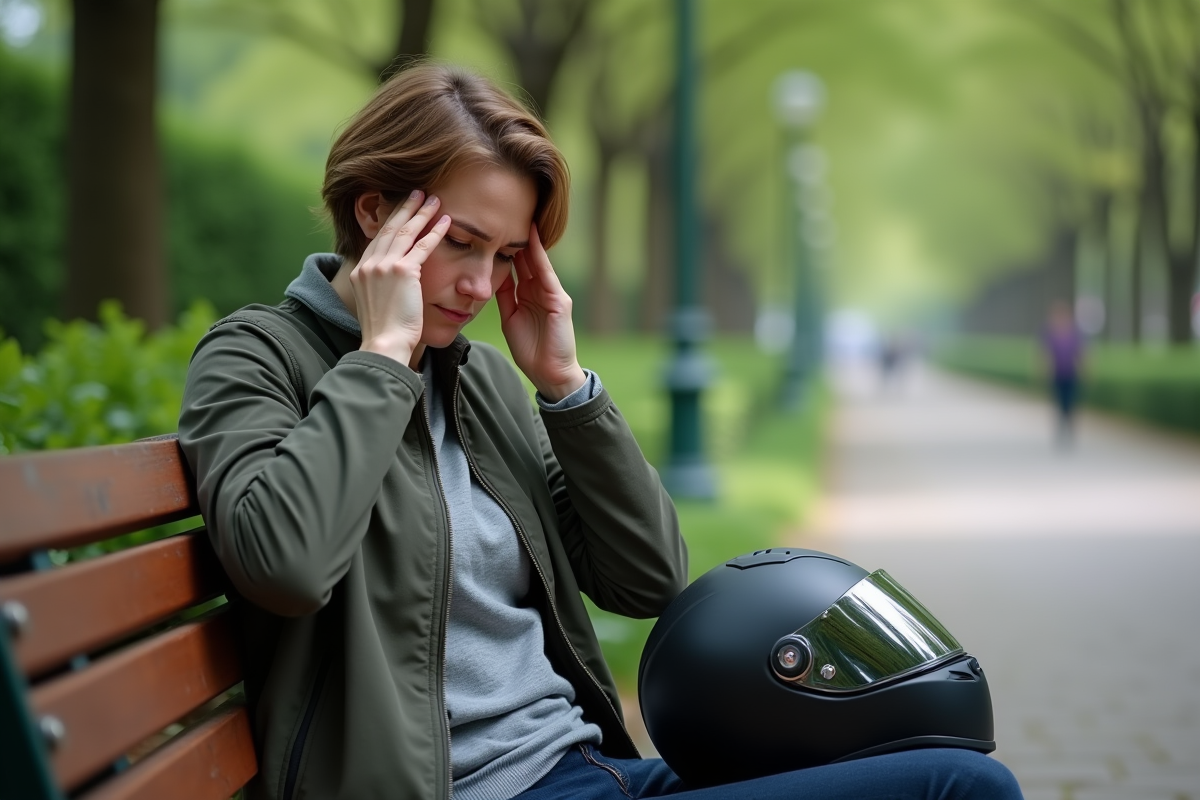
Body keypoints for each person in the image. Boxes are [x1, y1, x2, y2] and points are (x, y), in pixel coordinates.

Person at [178, 63, 1022, 800]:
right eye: (461, 244)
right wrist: (382, 358)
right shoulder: (257, 357)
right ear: (375, 214)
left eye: (507, 256)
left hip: (589, 770)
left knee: (936, 753)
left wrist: (565, 388)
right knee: (959, 790)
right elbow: (283, 563)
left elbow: (650, 579)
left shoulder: (480, 386)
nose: (480, 286)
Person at [1041, 300, 1085, 446]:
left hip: (1071, 374)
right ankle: (1061, 428)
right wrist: (1044, 369)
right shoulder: (1050, 333)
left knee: (1070, 403)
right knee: (1059, 403)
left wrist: (1084, 368)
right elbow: (1045, 353)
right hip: (1056, 375)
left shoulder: (1074, 333)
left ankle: (1069, 428)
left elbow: (1081, 353)